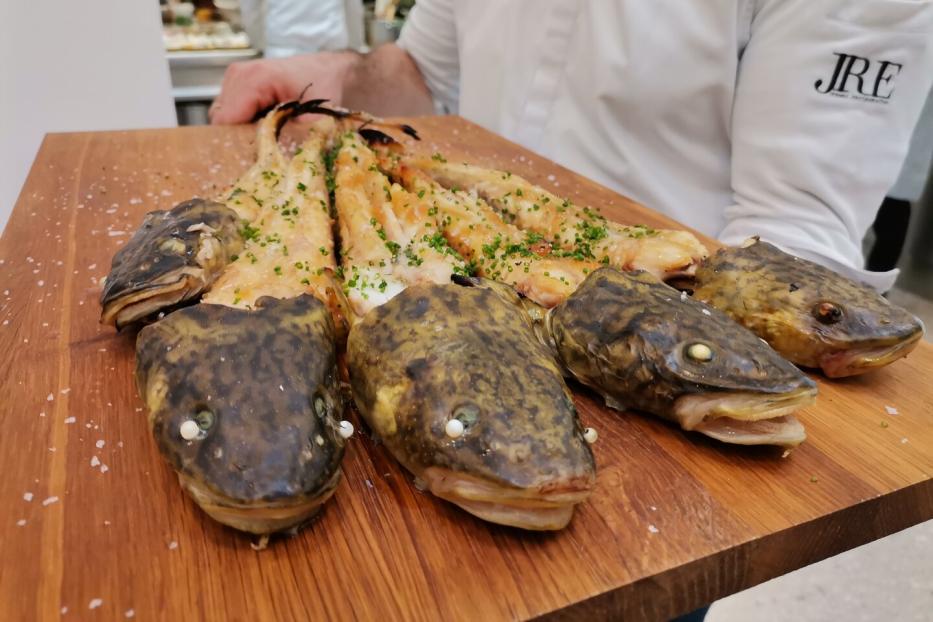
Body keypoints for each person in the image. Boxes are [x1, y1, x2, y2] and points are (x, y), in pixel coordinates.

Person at [210, 0, 933, 292]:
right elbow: (416, 72)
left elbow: (793, 239)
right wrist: (325, 74)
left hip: (656, 337)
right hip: (444, 292)